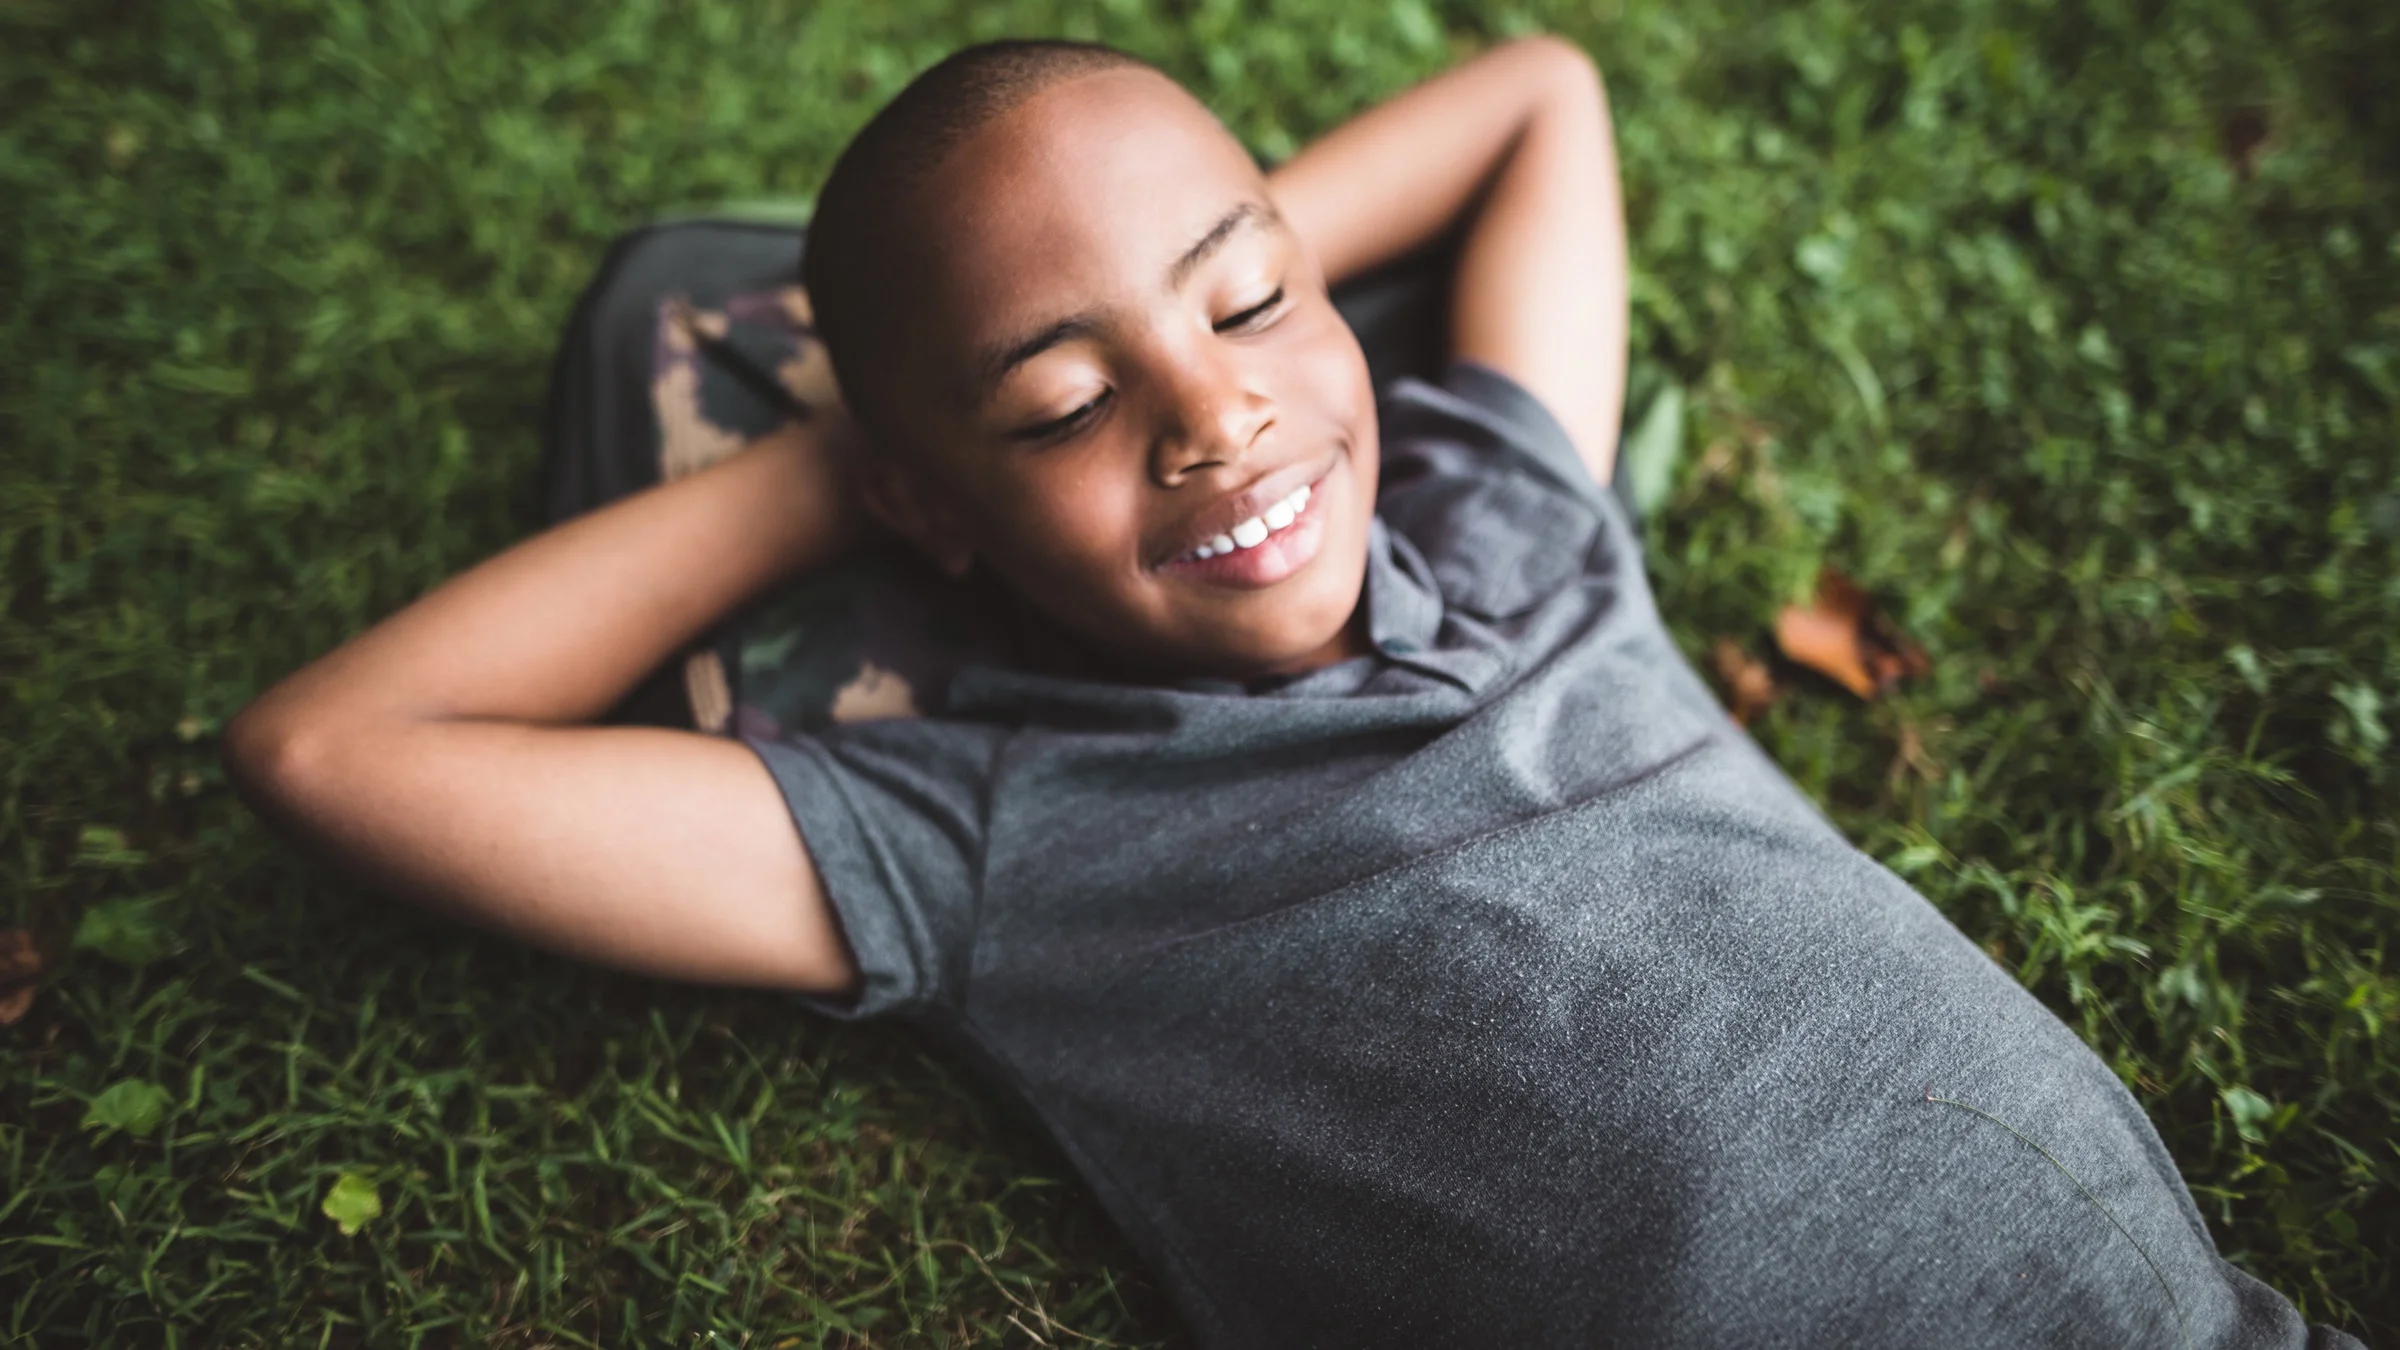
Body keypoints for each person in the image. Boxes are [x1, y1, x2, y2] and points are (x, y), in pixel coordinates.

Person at [225, 36, 2361, 1349]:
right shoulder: (981, 835)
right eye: (1064, 405)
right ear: (931, 505)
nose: (1216, 414)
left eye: (1251, 299)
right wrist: (834, 472)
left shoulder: (1516, 513)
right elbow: (330, 750)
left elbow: (1539, 95)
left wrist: (1162, 301)